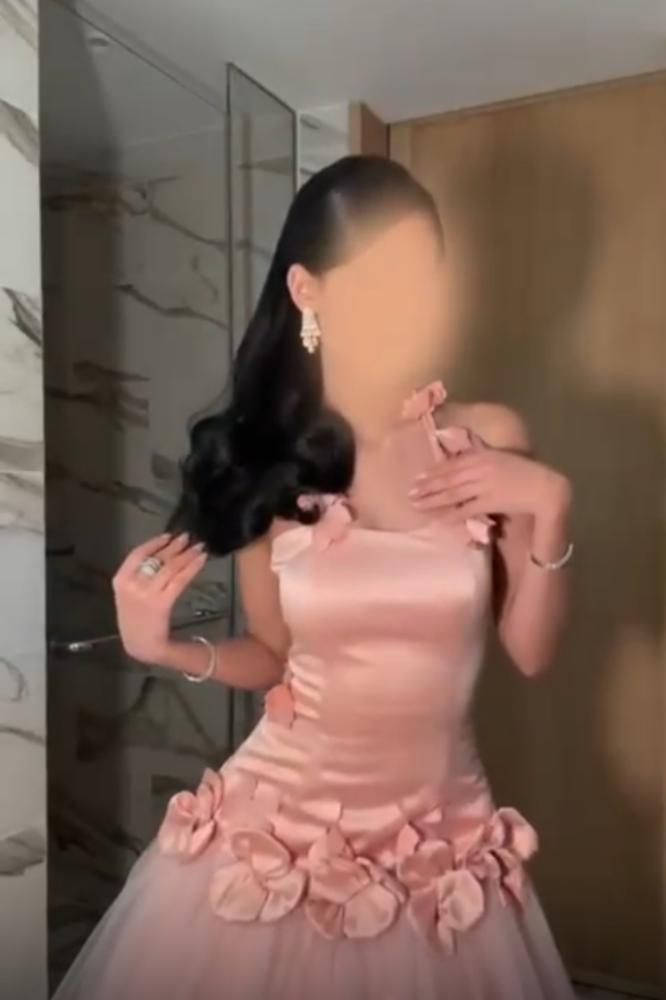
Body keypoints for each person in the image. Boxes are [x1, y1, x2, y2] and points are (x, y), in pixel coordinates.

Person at [53, 155, 576, 999]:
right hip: (285, 833)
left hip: (442, 841)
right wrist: (166, 649)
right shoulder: (267, 462)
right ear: (308, 289)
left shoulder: (485, 437)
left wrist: (549, 504)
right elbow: (272, 653)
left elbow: (532, 650)